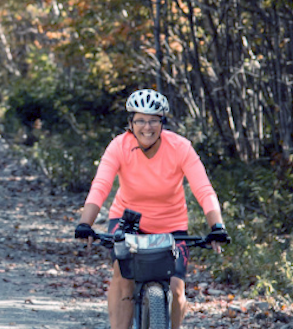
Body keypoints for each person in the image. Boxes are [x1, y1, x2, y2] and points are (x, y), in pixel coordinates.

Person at [74, 88, 231, 329]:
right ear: (130, 123)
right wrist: (86, 223)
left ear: (162, 123)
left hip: (171, 226)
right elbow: (100, 186)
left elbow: (203, 189)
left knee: (176, 289)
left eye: (153, 121)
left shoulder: (180, 147)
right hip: (127, 222)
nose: (147, 127)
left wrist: (217, 226)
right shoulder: (119, 146)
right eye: (140, 120)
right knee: (124, 279)